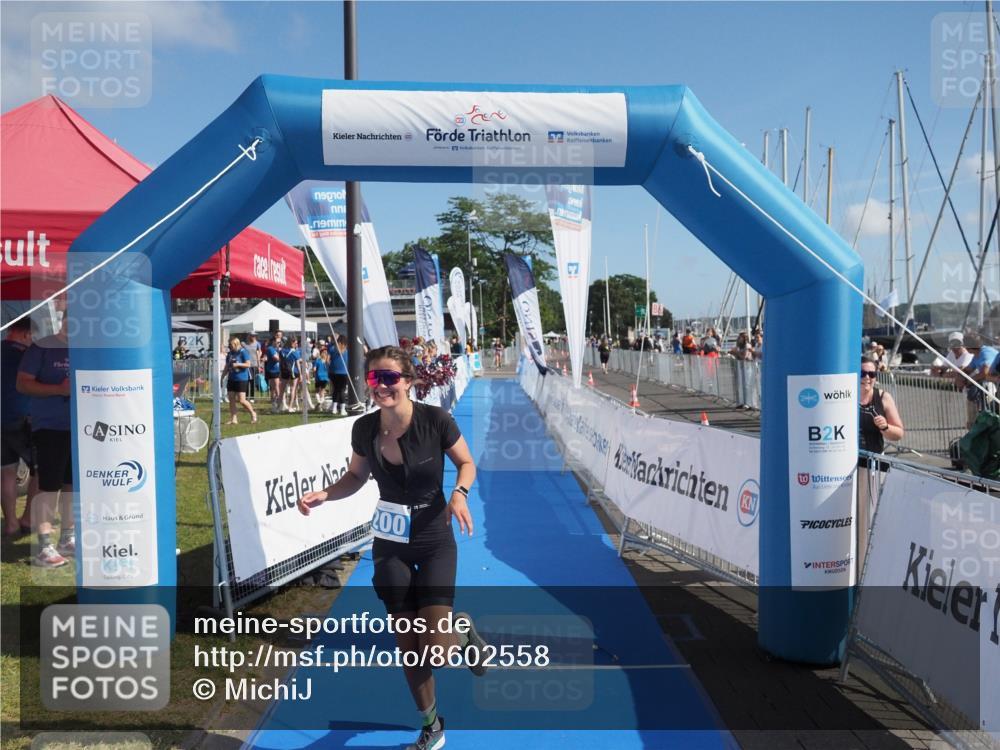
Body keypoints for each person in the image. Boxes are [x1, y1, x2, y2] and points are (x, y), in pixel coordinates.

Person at [297, 346, 486, 750]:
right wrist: (326, 494)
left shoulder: (435, 420)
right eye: (374, 378)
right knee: (408, 646)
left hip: (434, 538)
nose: (382, 387)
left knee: (434, 651)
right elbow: (355, 476)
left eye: (390, 378)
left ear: (409, 381)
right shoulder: (365, 429)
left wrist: (459, 494)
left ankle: (461, 632)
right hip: (390, 543)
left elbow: (467, 462)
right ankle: (432, 725)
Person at [16, 320, 74, 567]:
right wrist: (59, 390)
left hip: (83, 428)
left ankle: (67, 538)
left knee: (73, 485)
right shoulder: (41, 348)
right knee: (48, 486)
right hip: (50, 427)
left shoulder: (86, 347)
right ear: (64, 321)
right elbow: (22, 383)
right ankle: (44, 546)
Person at [857, 354, 904, 572]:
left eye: (871, 374)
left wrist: (885, 426)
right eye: (862, 373)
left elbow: (898, 434)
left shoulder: (883, 397)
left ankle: (869, 572)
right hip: (843, 468)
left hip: (873, 467)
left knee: (870, 523)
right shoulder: (844, 394)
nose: (867, 378)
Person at [2, 319, 37, 537]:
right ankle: (28, 519)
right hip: (22, 419)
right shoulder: (27, 355)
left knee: (6, 473)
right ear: (25, 334)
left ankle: (11, 524)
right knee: (40, 471)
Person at [223, 336, 256, 425]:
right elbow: (227, 366)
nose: (229, 346)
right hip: (231, 378)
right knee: (231, 399)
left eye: (231, 344)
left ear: (236, 344)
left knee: (242, 400)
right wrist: (223, 376)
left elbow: (248, 364)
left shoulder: (243, 352)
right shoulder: (230, 354)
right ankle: (234, 419)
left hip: (241, 379)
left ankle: (253, 413)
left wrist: (238, 364)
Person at [329, 335, 350, 416]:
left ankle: (334, 408)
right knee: (341, 390)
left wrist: (334, 341)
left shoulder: (332, 349)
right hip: (343, 373)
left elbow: (329, 347)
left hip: (333, 372)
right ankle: (342, 409)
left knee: (336, 390)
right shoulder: (347, 351)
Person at [264, 336, 283, 414]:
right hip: (272, 370)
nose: (279, 344)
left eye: (280, 342)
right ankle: (279, 405)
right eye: (278, 342)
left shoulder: (276, 349)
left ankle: (274, 404)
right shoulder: (271, 349)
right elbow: (277, 358)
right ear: (273, 342)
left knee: (274, 388)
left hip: (276, 370)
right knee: (276, 387)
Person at [245, 333, 261, 402]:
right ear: (249, 336)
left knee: (252, 382)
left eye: (254, 336)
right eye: (252, 335)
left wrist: (259, 364)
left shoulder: (257, 344)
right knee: (246, 381)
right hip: (246, 365)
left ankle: (252, 397)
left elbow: (258, 353)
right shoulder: (244, 344)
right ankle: (245, 396)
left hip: (254, 365)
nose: (253, 337)